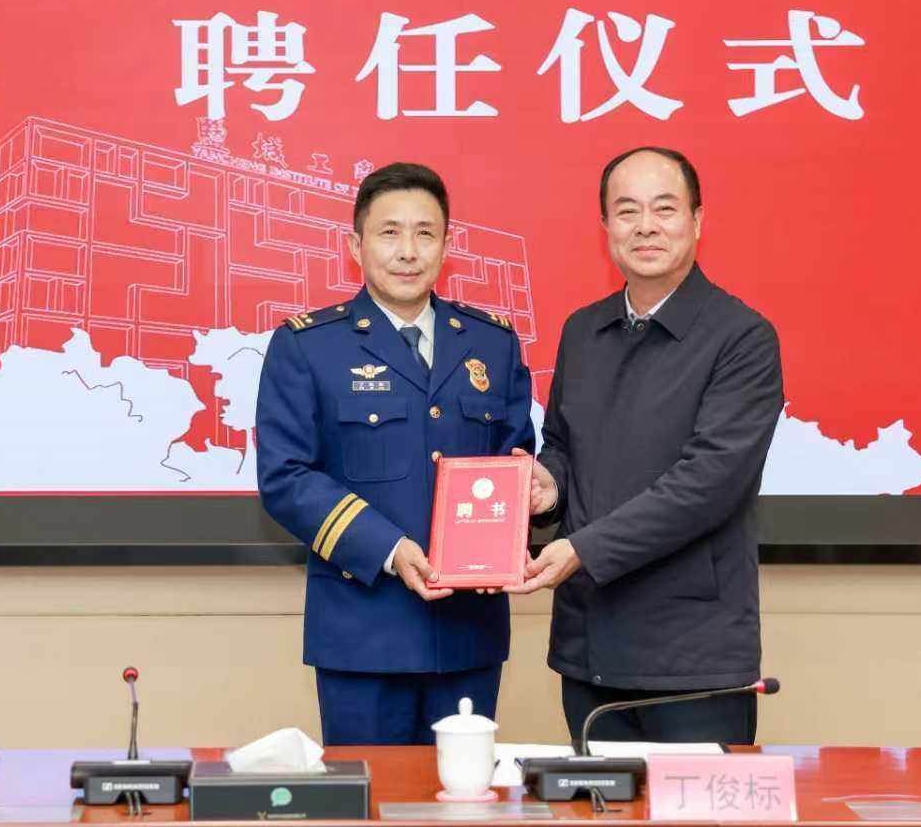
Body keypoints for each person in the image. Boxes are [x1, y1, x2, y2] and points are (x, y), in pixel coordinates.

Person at [509, 147, 784, 745]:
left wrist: (582, 549)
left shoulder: (742, 337)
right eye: (627, 211)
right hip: (589, 647)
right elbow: (562, 445)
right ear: (606, 227)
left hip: (691, 658)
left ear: (697, 221)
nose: (646, 226)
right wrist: (548, 486)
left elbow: (709, 483)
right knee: (596, 798)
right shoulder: (583, 330)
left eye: (665, 208)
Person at [256, 162, 536, 745]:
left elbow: (515, 462)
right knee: (369, 792)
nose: (408, 251)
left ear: (447, 246)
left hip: (468, 636)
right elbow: (287, 477)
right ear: (355, 245)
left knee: (465, 792)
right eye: (389, 233)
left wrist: (520, 516)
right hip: (362, 637)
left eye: (425, 233)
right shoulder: (308, 346)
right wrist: (388, 549)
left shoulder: (493, 343)